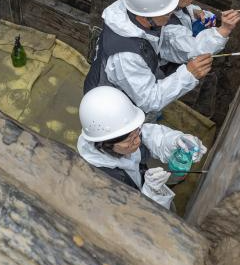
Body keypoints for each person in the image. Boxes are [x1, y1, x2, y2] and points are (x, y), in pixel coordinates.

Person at [84, 0, 212, 120]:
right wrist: (188, 74)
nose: (171, 15)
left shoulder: (138, 10)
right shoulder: (126, 57)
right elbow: (149, 100)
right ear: (145, 17)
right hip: (110, 107)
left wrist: (192, 12)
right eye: (167, 13)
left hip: (130, 87)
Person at [77, 86, 207, 209]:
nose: (138, 141)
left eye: (137, 132)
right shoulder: (101, 180)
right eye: (130, 140)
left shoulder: (122, 136)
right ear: (104, 145)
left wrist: (175, 141)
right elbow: (129, 216)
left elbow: (150, 135)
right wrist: (150, 194)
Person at [150, 0, 240, 65]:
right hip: (172, 68)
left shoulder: (176, 8)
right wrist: (224, 30)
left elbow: (185, 11)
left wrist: (197, 13)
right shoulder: (167, 29)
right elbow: (195, 49)